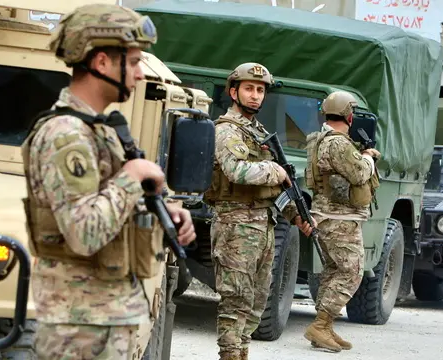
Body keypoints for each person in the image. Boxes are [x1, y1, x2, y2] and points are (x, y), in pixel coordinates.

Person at [21, 4, 196, 359]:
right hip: (78, 327)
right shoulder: (65, 136)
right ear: (102, 63)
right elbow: (84, 232)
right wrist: (132, 177)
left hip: (104, 317)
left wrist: (166, 214)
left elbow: (108, 208)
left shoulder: (98, 130)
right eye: (132, 62)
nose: (140, 74)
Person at [203, 62, 315, 360]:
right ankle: (230, 355)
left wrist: (296, 215)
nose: (255, 96)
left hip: (262, 225)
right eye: (249, 89)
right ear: (233, 92)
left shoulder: (259, 132)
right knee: (235, 299)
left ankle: (240, 352)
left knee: (256, 301)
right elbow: (235, 171)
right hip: (235, 224)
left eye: (260, 90)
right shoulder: (227, 130)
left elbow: (277, 190)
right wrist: (273, 169)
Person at [303, 90, 380, 351]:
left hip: (327, 217)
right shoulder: (338, 143)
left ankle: (323, 326)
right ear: (349, 115)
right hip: (339, 219)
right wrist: (369, 157)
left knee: (334, 271)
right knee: (352, 272)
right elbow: (359, 174)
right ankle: (321, 324)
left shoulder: (320, 139)